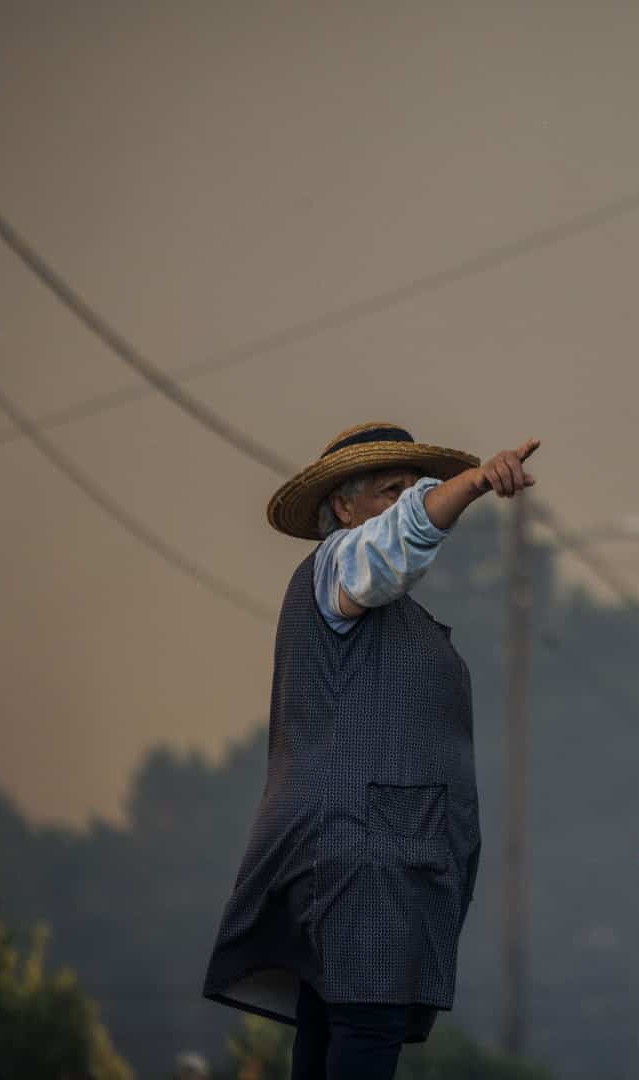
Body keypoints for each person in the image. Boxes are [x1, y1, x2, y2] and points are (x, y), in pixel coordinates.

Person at [203, 422, 538, 1080]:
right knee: (365, 1029)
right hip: (358, 861)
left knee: (333, 1032)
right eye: (392, 491)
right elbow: (400, 539)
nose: (412, 501)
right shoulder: (339, 563)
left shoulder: (385, 605)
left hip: (376, 863)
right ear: (342, 508)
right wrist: (471, 483)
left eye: (416, 489)